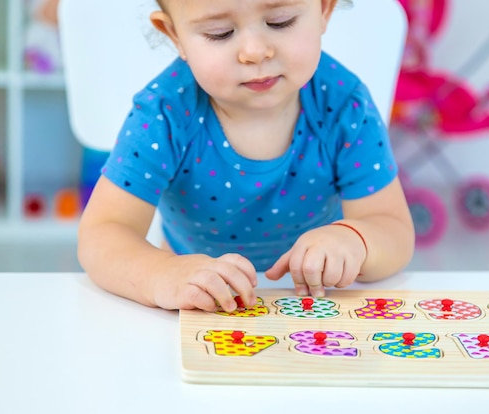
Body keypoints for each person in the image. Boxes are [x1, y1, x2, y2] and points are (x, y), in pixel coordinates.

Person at [77, 0, 415, 313]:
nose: (255, 52)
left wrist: (356, 241)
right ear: (175, 36)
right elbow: (103, 234)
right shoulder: (163, 114)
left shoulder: (344, 105)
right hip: (198, 299)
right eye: (219, 33)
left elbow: (393, 230)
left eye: (280, 22)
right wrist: (163, 274)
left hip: (315, 297)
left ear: (324, 9)